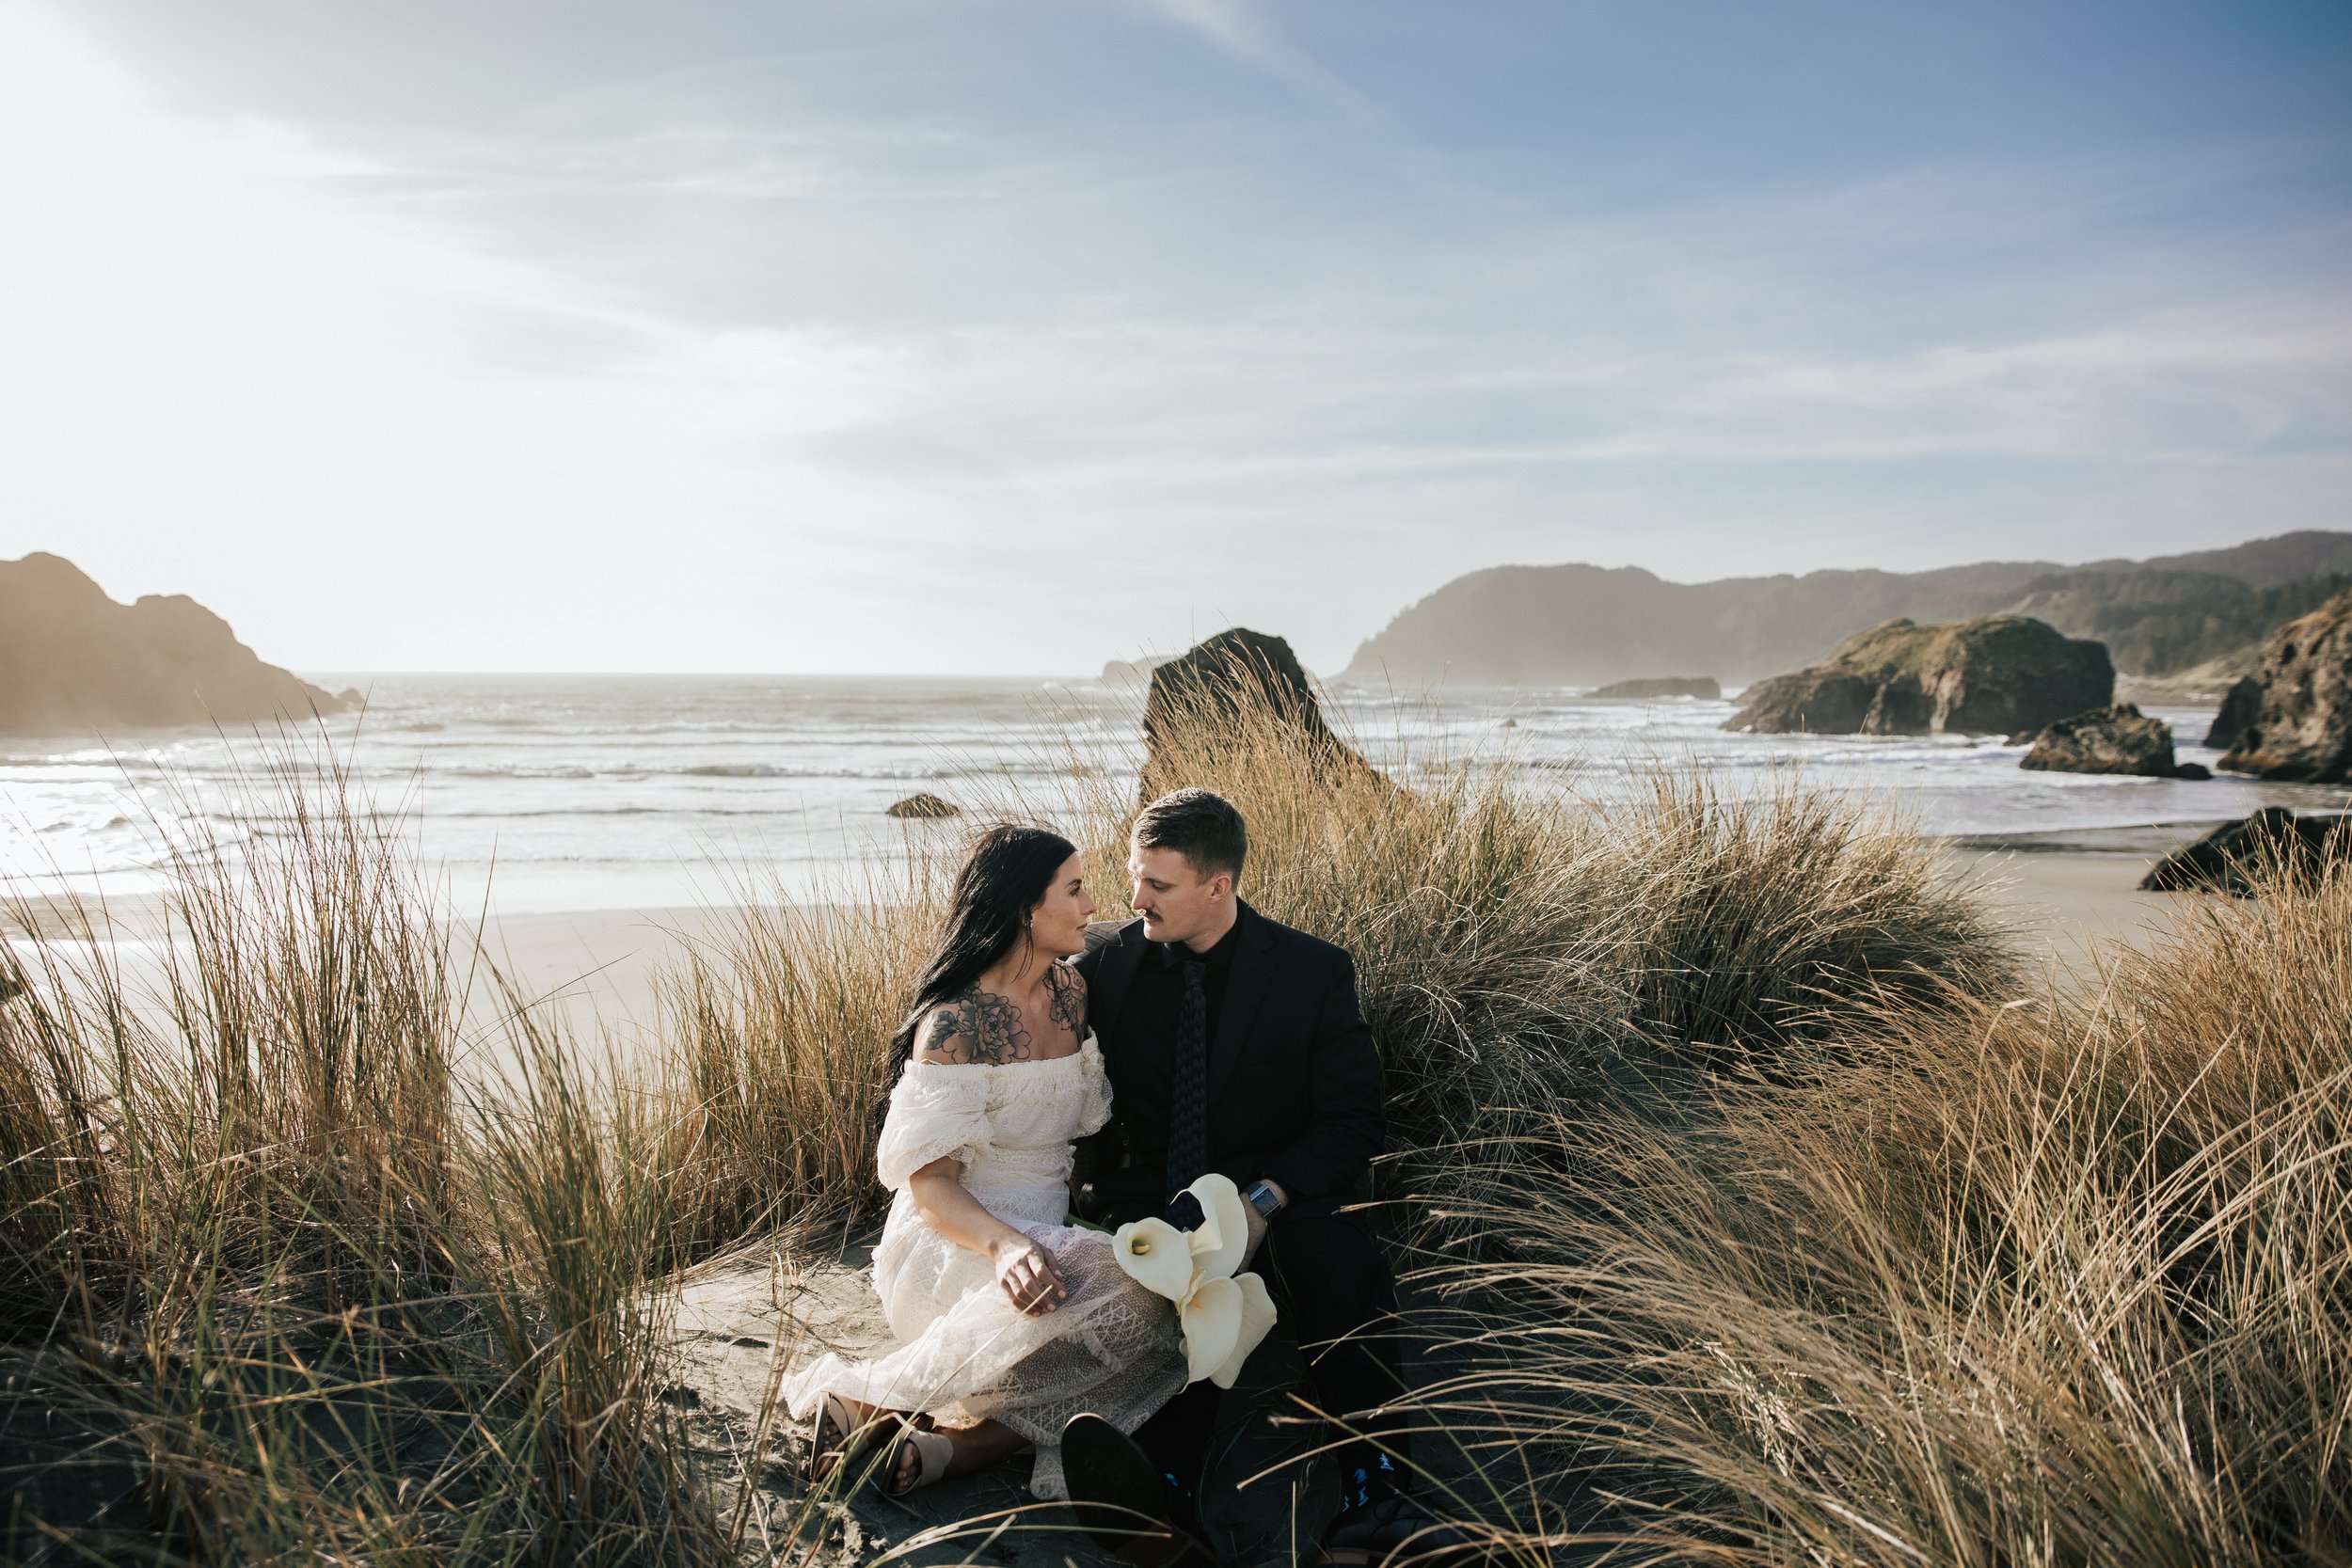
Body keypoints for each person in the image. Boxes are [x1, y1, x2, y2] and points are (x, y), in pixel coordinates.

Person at [1062, 788, 1472, 1566]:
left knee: (1343, 1268)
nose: (1135, 898)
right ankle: (1166, 1495)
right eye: (1132, 875)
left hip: (1276, 1195)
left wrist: (1264, 1201)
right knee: (1183, 1292)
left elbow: (1354, 1120)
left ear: (1219, 886)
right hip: (1149, 1200)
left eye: (1159, 884)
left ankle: (1377, 1499)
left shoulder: (1312, 972)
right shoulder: (1107, 965)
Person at [780, 824, 1187, 1501]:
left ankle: (950, 1444)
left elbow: (1082, 1135)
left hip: (1051, 1242)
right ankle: (879, 1403)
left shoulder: (1071, 993)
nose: (1092, 906)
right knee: (1139, 1304)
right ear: (1026, 909)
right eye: (1076, 889)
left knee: (1172, 1314)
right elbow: (930, 1185)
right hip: (960, 1241)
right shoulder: (954, 1023)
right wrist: (1006, 1247)